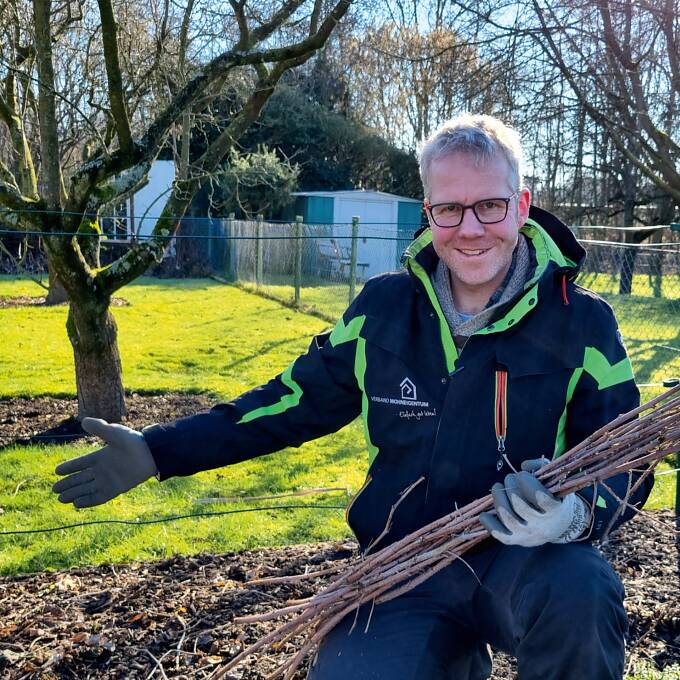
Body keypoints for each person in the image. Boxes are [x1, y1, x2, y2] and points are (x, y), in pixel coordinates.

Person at [53, 114, 653, 679]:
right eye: (449, 209)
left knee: (583, 592)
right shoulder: (382, 310)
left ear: (521, 205)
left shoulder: (582, 323)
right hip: (404, 566)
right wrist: (160, 451)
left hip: (526, 561)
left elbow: (628, 456)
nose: (470, 228)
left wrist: (575, 516)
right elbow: (288, 405)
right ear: (428, 212)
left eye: (490, 205)